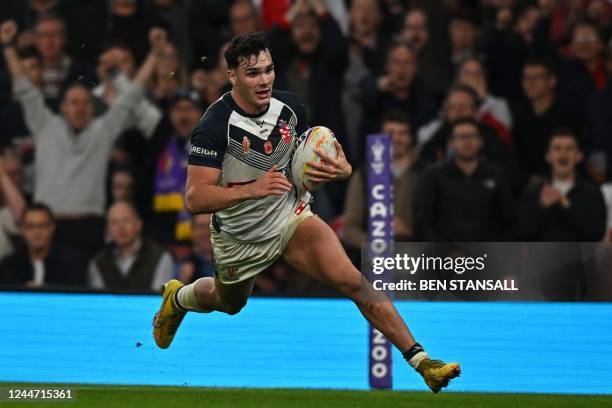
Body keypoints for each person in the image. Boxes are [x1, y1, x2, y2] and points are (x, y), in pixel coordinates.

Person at [152, 32, 460, 393]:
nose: (264, 80)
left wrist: (341, 170)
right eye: (252, 74)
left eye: (268, 70)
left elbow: (308, 159)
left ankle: (423, 362)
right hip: (240, 236)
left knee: (352, 280)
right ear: (232, 75)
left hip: (290, 216)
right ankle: (178, 298)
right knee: (228, 303)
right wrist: (253, 188)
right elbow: (195, 197)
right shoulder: (214, 126)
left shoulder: (291, 107)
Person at [0, 20, 168, 257]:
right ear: (63, 108)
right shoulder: (45, 125)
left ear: (92, 108)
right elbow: (24, 87)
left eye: (85, 102)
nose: (79, 108)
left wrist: (155, 53)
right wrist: (7, 45)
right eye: (73, 102)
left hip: (89, 229)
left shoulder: (103, 130)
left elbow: (132, 95)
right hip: (48, 227)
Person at [414, 118, 514, 241]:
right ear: (451, 143)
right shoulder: (433, 174)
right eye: (461, 137)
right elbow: (424, 221)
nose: (467, 142)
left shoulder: (496, 174)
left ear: (481, 141)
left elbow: (507, 219)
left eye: (472, 136)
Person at [342, 111, 417, 262]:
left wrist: (411, 232)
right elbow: (349, 230)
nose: (396, 138)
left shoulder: (427, 173)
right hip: (372, 260)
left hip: (418, 257)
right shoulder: (363, 175)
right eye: (390, 132)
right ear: (380, 136)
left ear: (411, 138)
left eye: (403, 133)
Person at [516, 129, 606, 241]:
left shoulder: (592, 193)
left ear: (579, 156)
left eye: (569, 148)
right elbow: (521, 233)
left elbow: (596, 234)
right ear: (548, 156)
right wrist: (541, 207)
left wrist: (568, 207)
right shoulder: (533, 191)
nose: (563, 153)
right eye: (557, 148)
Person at [89, 201, 174, 291]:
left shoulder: (160, 257)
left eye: (126, 221)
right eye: (114, 223)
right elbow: (99, 300)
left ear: (139, 224)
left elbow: (160, 299)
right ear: (108, 229)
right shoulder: (98, 262)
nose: (120, 228)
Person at [0, 203, 87, 288]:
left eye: (42, 226)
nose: (37, 232)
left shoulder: (72, 262)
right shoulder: (9, 265)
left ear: (52, 227)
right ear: (22, 229)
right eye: (30, 226)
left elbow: (77, 298)